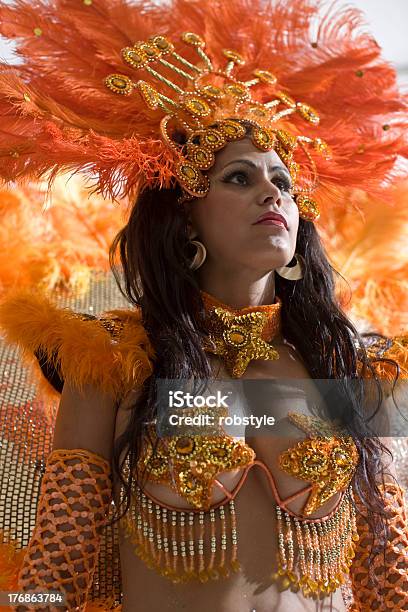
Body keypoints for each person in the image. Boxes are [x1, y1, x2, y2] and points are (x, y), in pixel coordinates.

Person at [0, 0, 407, 610]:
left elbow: (390, 576)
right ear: (185, 219)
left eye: (283, 182)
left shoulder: (346, 366)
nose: (272, 192)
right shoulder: (116, 362)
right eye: (238, 177)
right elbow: (56, 572)